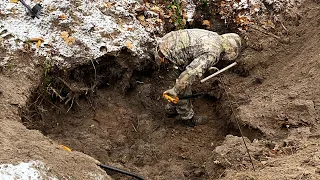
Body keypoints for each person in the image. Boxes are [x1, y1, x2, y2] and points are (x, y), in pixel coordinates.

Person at [155, 29, 241, 126]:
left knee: (179, 86)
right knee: (183, 88)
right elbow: (190, 73)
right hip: (167, 56)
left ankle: (170, 109)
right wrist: (176, 89)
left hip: (165, 42)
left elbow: (195, 51)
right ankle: (187, 119)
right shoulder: (213, 53)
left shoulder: (214, 36)